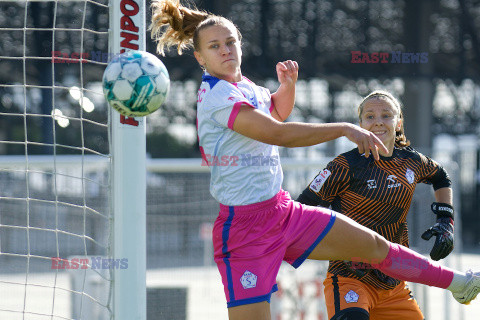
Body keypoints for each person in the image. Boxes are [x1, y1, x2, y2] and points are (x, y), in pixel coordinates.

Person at [150, 1, 480, 319]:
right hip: (244, 231)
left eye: (230, 42)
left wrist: (287, 87)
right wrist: (343, 129)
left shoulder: (244, 87)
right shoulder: (217, 95)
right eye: (214, 46)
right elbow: (278, 134)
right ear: (200, 58)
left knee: (375, 247)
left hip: (282, 212)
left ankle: (459, 283)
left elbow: (277, 112)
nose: (225, 50)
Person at [296, 90, 455, 319]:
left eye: (386, 115)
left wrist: (446, 222)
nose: (378, 122)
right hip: (350, 278)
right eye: (369, 116)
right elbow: (303, 207)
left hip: (394, 285)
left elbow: (441, 177)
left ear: (399, 123)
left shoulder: (412, 161)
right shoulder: (344, 165)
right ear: (359, 124)